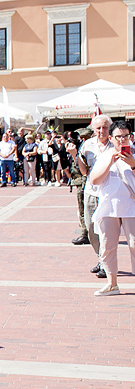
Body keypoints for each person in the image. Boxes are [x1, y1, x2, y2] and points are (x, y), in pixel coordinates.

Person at [89, 120, 135, 296]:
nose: (122, 140)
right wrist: (109, 163)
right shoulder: (105, 154)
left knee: (134, 244)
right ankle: (112, 283)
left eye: (126, 136)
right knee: (108, 245)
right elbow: (94, 180)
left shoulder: (134, 153)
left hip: (131, 205)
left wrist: (133, 164)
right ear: (111, 137)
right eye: (118, 137)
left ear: (130, 136)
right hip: (109, 206)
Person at [79, 116, 113, 278]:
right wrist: (74, 155)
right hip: (91, 191)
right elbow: (84, 171)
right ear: (94, 129)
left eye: (105, 127)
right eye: (99, 128)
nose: (102, 131)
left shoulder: (116, 144)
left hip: (109, 192)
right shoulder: (87, 145)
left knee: (107, 230)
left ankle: (106, 264)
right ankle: (101, 259)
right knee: (91, 226)